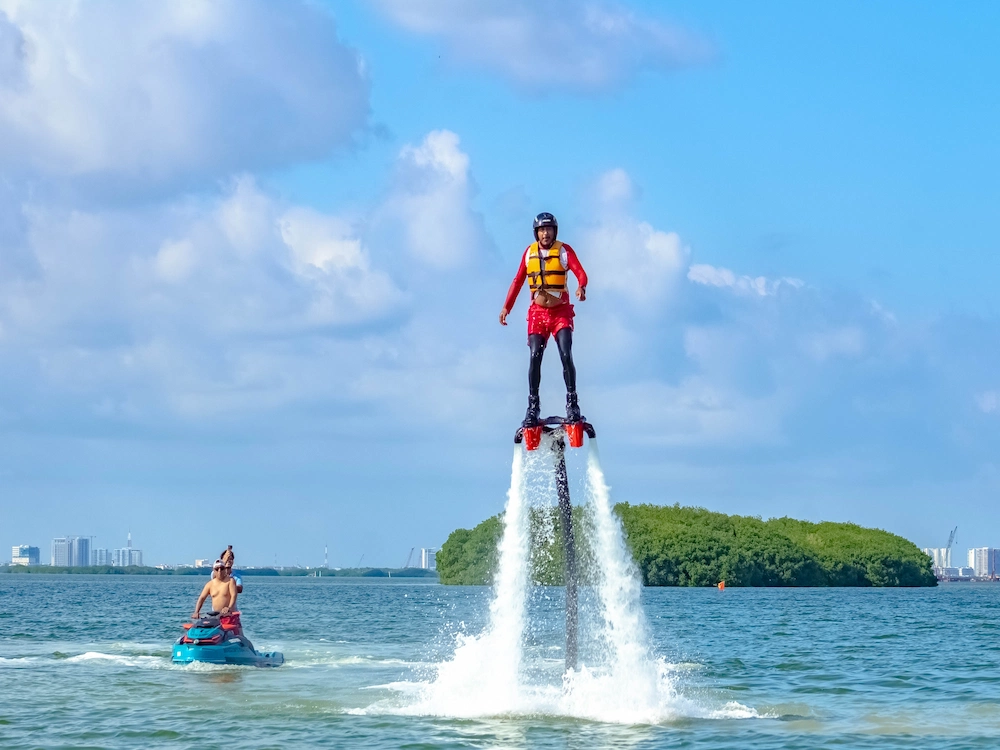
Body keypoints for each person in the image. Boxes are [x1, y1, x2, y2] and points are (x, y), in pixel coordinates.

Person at [500, 212, 588, 427]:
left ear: (554, 231)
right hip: (538, 314)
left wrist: (581, 287)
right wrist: (506, 307)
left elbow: (580, 272)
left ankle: (572, 403)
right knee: (534, 356)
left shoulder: (564, 251)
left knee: (566, 354)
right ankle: (533, 406)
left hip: (560, 313)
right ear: (536, 232)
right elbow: (518, 280)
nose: (545, 233)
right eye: (541, 229)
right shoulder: (529, 254)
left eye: (548, 229)